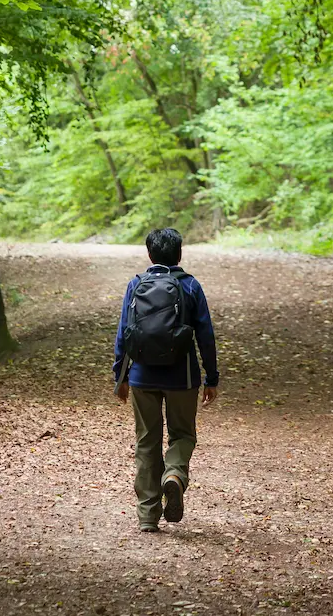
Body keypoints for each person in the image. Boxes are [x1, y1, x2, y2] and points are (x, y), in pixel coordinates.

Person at [112, 227, 219, 532]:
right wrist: (212, 377)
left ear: (150, 254)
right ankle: (173, 474)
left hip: (141, 376)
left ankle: (147, 516)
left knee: (146, 442)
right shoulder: (190, 286)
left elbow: (124, 333)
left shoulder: (136, 285)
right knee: (182, 435)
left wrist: (119, 376)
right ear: (179, 253)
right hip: (182, 376)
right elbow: (206, 336)